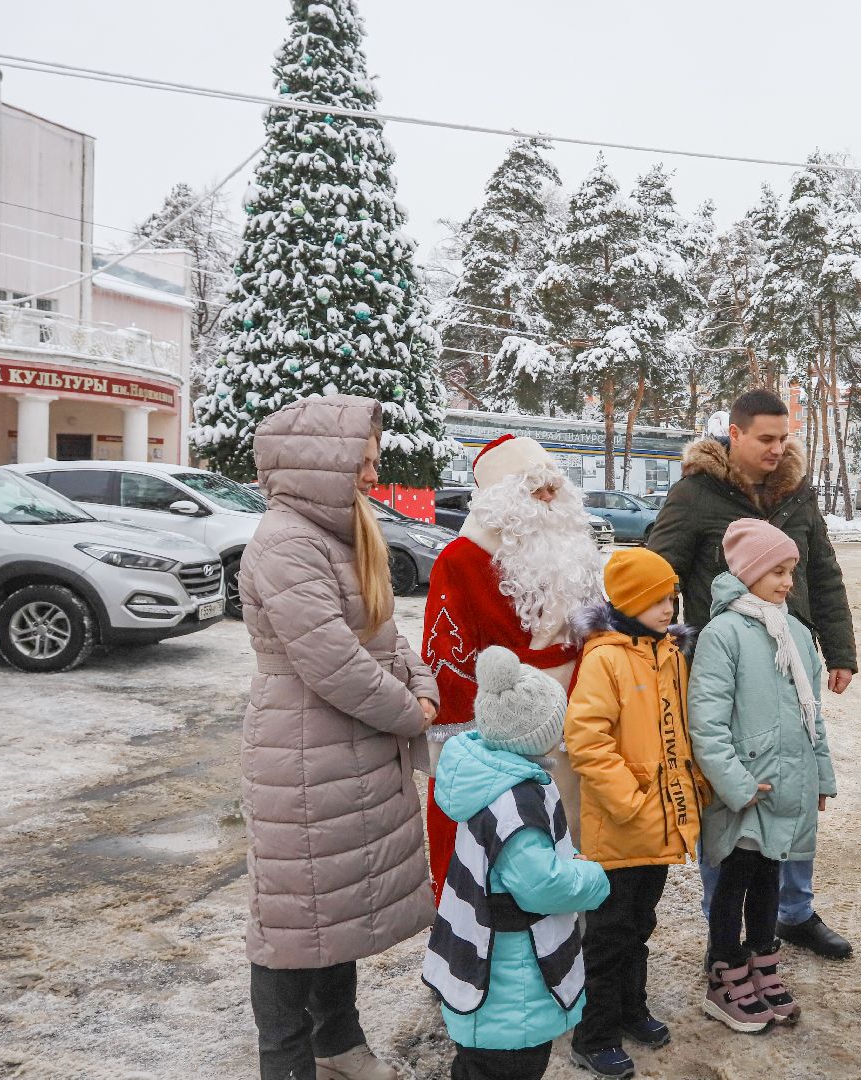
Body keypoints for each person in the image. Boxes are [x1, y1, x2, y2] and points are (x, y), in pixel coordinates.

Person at [240, 395, 439, 1080]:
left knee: (337, 906)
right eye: (361, 462)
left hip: (346, 747)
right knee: (294, 919)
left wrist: (422, 683)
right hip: (302, 751)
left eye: (374, 462)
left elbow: (383, 633)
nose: (370, 477)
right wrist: (409, 710)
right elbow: (330, 659)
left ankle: (338, 1042)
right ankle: (288, 1062)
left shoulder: (340, 532)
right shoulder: (286, 540)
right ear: (316, 463)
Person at [649, 388, 857, 961]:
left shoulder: (797, 494)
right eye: (765, 438)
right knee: (735, 792)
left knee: (791, 775)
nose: (777, 448)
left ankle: (792, 911)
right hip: (729, 667)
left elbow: (824, 573)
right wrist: (650, 649)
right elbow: (656, 572)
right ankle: (726, 927)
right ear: (734, 435)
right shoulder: (696, 495)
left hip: (791, 662)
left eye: (783, 437)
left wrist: (839, 650)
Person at [422, 434, 605, 900]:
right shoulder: (461, 560)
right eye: (534, 489)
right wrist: (464, 742)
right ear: (502, 499)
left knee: (571, 827)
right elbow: (449, 658)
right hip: (505, 727)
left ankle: (571, 938)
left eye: (553, 488)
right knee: (513, 840)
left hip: (578, 713)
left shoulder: (574, 553)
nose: (548, 499)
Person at [422, 646, 611, 1080]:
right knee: (510, 1069)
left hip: (486, 966)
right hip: (511, 982)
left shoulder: (489, 776)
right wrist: (591, 877)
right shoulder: (515, 803)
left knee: (477, 1067)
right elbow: (540, 884)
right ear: (534, 735)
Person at [690, 520, 836, 1033]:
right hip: (746, 791)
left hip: (786, 785)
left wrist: (820, 777)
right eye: (777, 570)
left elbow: (811, 713)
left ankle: (761, 963)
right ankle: (723, 972)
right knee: (734, 881)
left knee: (771, 880)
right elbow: (706, 725)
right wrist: (736, 786)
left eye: (791, 571)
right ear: (749, 571)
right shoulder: (721, 634)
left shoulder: (794, 632)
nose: (788, 581)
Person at [564, 548, 704, 1078]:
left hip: (661, 822)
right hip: (623, 825)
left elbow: (679, 730)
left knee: (639, 923)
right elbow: (586, 738)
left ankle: (630, 1008)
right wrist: (628, 799)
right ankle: (593, 1033)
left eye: (671, 597)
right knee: (608, 932)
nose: (669, 607)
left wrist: (694, 790)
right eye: (656, 600)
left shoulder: (667, 652)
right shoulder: (606, 657)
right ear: (628, 603)